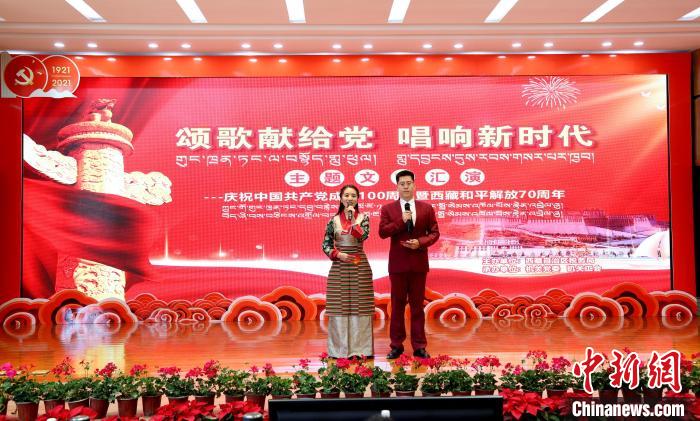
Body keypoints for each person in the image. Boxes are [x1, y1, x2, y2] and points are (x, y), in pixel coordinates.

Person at [379, 170, 439, 360]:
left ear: (414, 185)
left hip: (418, 264)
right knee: (397, 306)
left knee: (417, 307)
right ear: (397, 187)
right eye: (402, 183)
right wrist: (400, 221)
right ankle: (396, 345)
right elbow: (382, 232)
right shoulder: (388, 209)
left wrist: (420, 242)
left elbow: (435, 233)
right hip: (397, 265)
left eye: (409, 183)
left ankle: (419, 346)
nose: (406, 186)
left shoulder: (426, 208)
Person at [322, 184, 374, 358]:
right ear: (341, 198)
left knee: (361, 307)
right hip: (340, 266)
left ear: (357, 199)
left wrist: (353, 223)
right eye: (346, 195)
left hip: (360, 265)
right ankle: (340, 350)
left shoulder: (364, 218)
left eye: (353, 196)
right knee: (340, 307)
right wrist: (338, 254)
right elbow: (326, 245)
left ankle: (361, 350)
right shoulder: (333, 220)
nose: (350, 198)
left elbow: (363, 236)